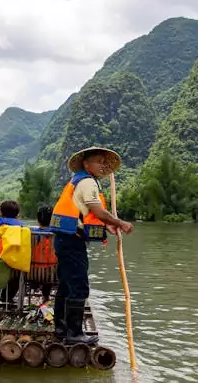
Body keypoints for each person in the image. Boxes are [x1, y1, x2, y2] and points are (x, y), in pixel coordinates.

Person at [47, 146, 134, 345]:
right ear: (86, 164)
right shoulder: (87, 182)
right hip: (72, 241)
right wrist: (120, 223)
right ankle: (74, 334)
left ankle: (61, 329)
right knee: (79, 285)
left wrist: (108, 225)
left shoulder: (80, 181)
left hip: (65, 240)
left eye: (104, 162)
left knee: (67, 285)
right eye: (98, 161)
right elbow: (98, 210)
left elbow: (87, 213)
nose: (102, 166)